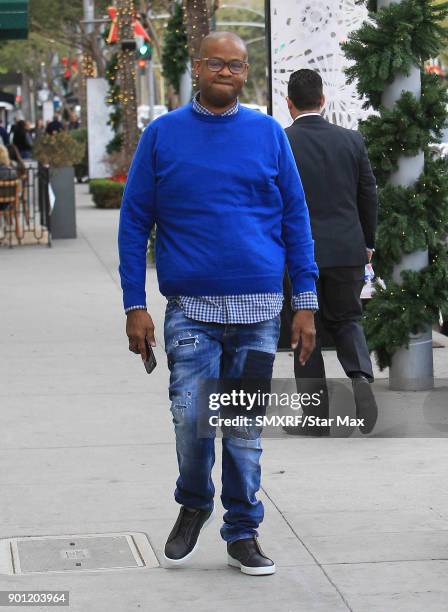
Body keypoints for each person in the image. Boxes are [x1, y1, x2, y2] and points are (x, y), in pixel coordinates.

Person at [118, 32, 319, 576]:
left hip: (258, 313)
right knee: (191, 419)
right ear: (198, 67)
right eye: (216, 63)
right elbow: (135, 221)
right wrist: (133, 303)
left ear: (246, 72)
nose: (226, 71)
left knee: (244, 433)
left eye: (236, 64)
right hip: (191, 310)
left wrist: (305, 301)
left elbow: (296, 218)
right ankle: (194, 501)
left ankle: (242, 531)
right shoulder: (162, 136)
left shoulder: (268, 134)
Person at [284, 68, 378, 435]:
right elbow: (368, 194)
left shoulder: (282, 141)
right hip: (347, 249)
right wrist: (367, 243)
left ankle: (315, 415)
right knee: (348, 318)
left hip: (299, 253)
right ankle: (361, 378)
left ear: (289, 104)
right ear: (322, 101)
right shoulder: (351, 140)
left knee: (303, 327)